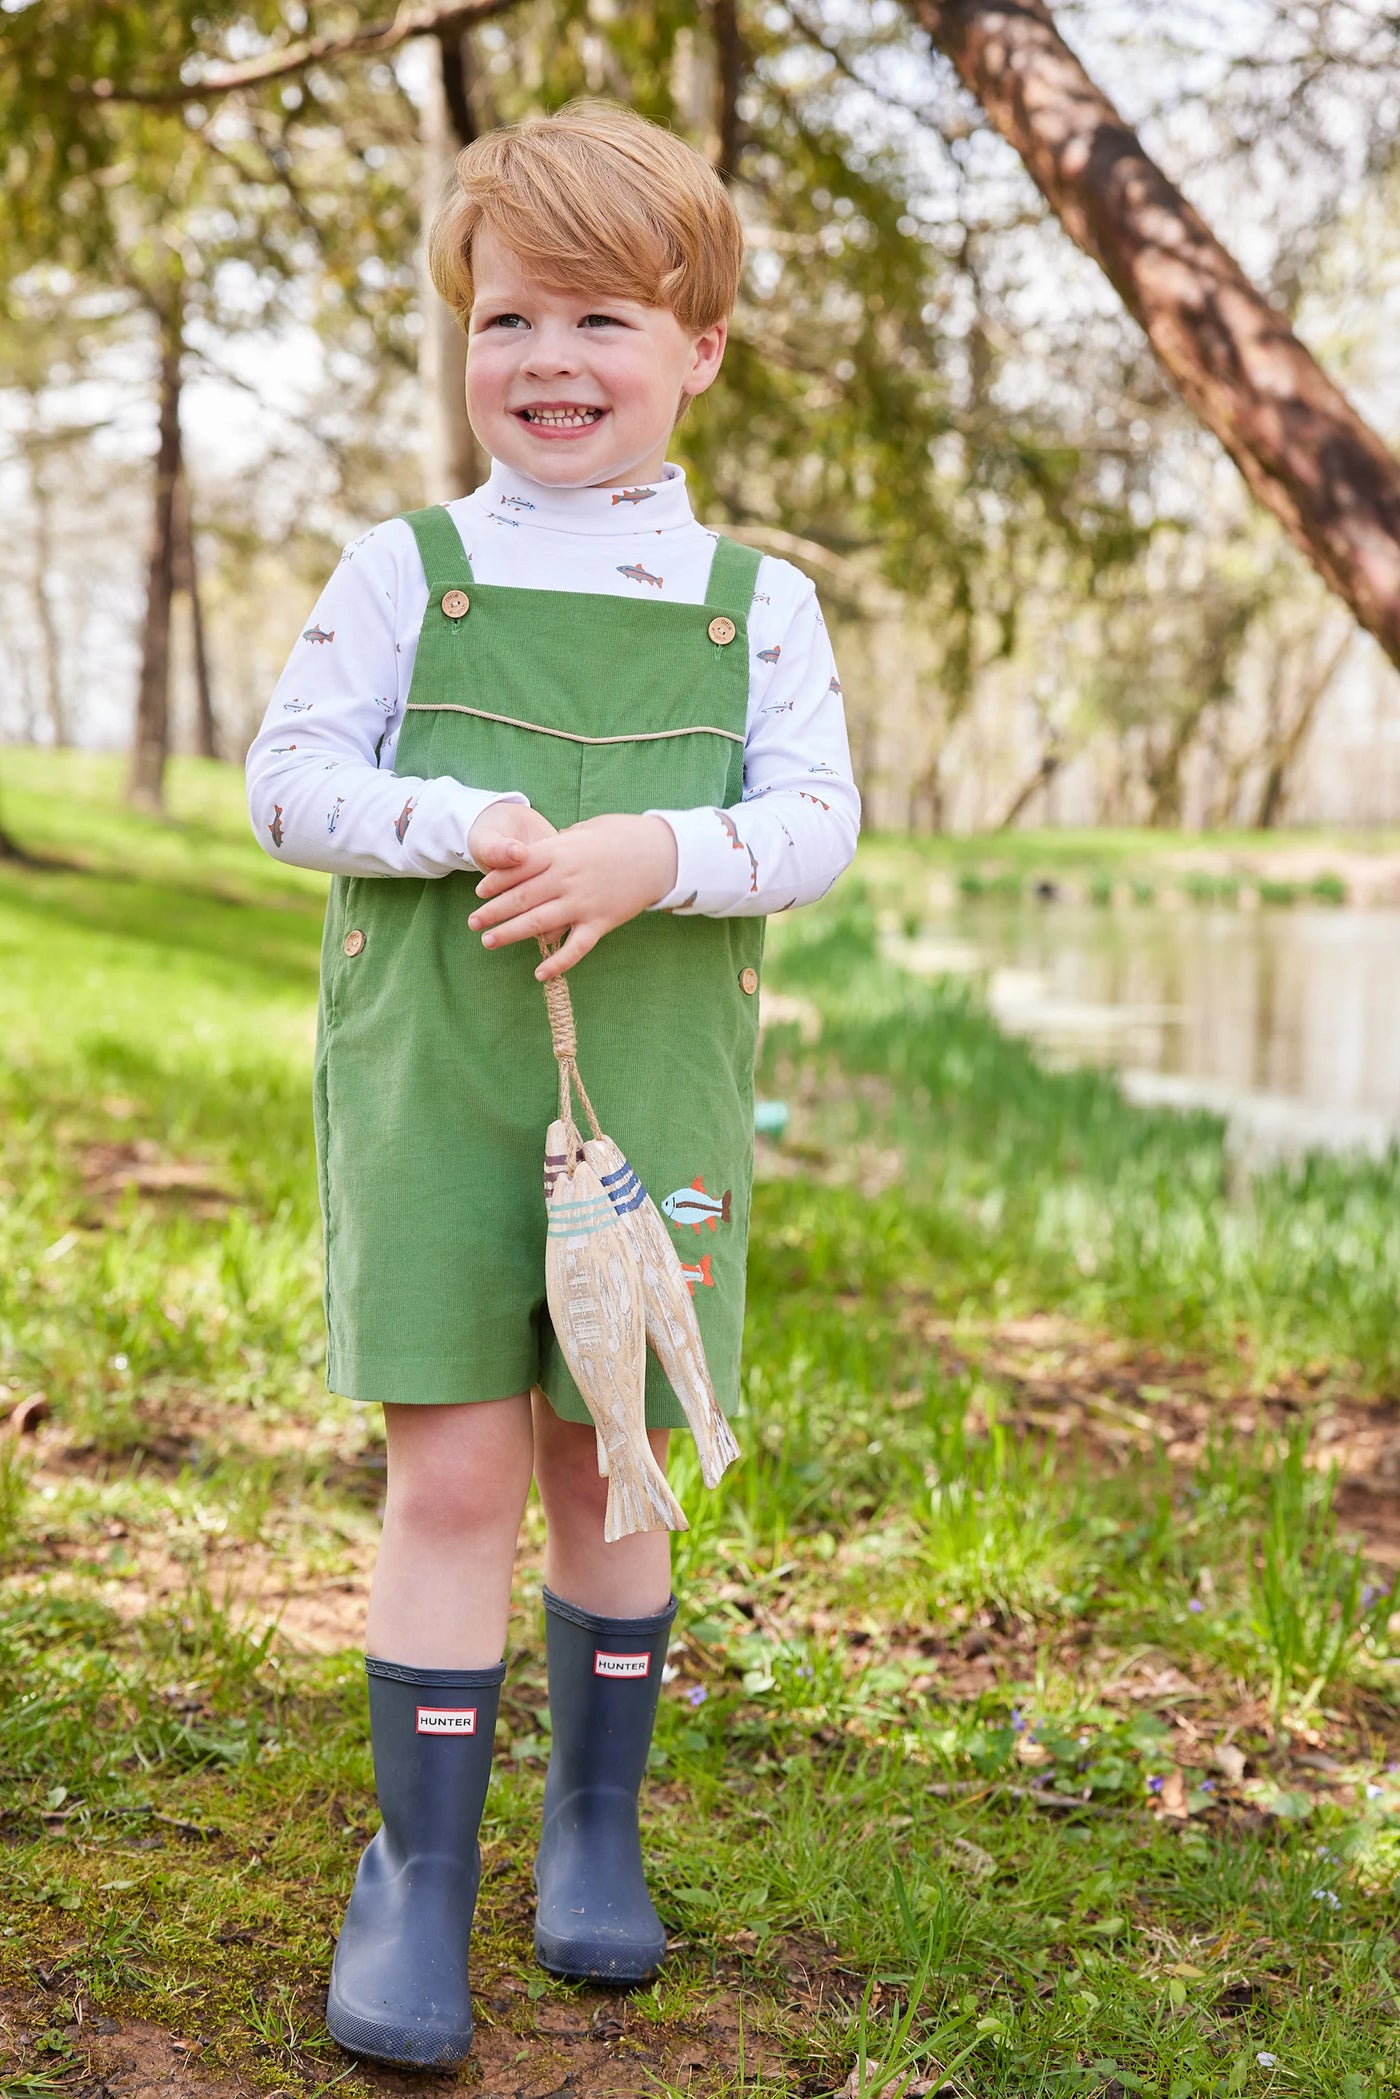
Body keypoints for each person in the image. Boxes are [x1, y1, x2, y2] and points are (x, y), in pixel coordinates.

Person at [245, 98, 859, 2068]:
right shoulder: (401, 570)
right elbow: (287, 786)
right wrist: (444, 816)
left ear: (698, 347)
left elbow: (819, 825)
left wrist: (649, 855)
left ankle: (590, 1826)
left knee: (609, 1452)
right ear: (464, 340)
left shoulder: (753, 599)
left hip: (653, 1096)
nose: (549, 363)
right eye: (509, 320)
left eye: (601, 322)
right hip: (438, 1080)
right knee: (455, 1468)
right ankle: (417, 1870)